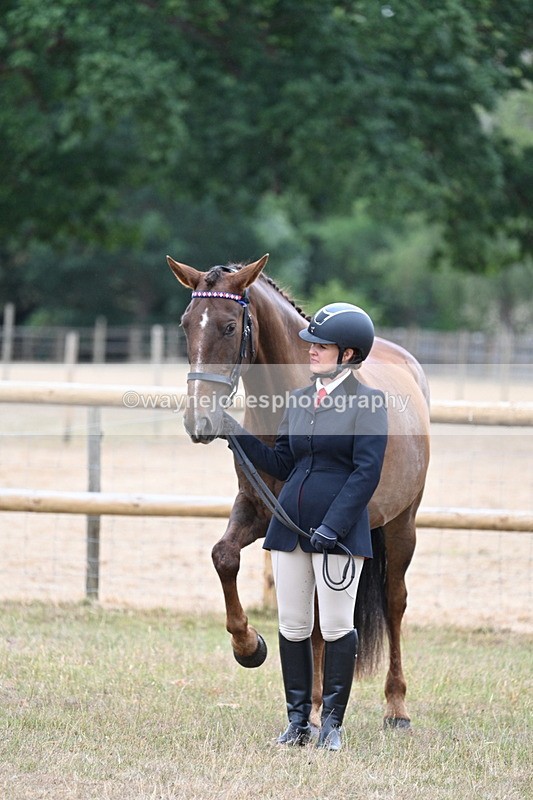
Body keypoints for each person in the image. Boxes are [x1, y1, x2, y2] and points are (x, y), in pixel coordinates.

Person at [222, 302, 388, 751]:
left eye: (321, 346)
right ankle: (297, 722)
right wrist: (234, 432)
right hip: (290, 528)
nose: (310, 350)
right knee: (293, 626)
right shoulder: (297, 399)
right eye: (311, 344)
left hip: (338, 533)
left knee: (335, 627)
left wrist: (334, 527)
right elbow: (283, 462)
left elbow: (365, 474)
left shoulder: (369, 404)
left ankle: (331, 725)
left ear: (348, 354)